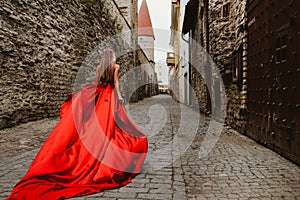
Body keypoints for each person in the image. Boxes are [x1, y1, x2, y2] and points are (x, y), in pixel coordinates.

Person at [6, 48, 148, 200]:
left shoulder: (99, 68)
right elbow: (115, 82)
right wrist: (119, 98)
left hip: (99, 94)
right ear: (112, 57)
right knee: (113, 126)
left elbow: (96, 82)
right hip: (110, 96)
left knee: (97, 123)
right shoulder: (116, 67)